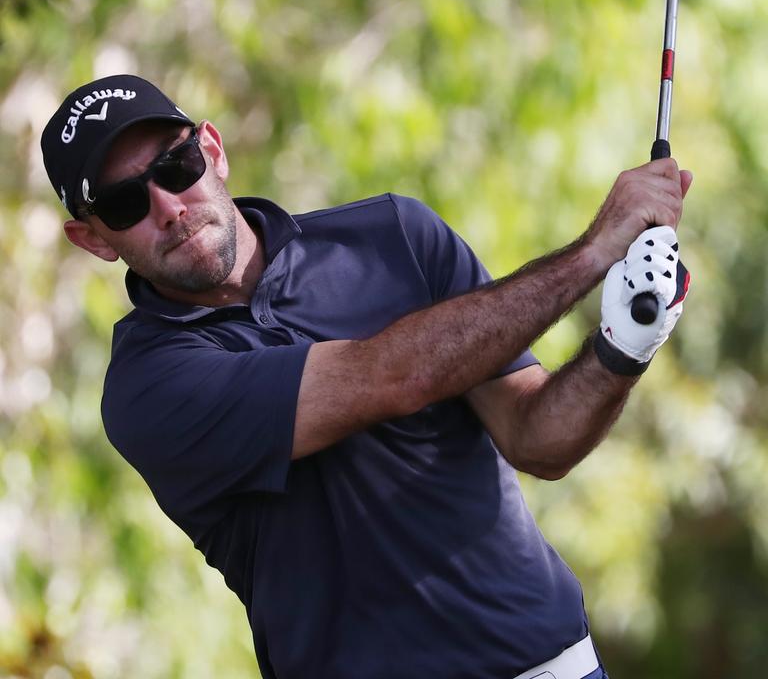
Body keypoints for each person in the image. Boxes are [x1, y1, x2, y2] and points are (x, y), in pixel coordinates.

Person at [40, 74, 691, 679]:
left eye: (177, 166)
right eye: (125, 203)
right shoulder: (148, 387)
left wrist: (621, 348)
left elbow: (536, 438)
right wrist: (592, 254)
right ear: (94, 239)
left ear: (212, 149)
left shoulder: (395, 235)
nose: (169, 206)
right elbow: (387, 378)